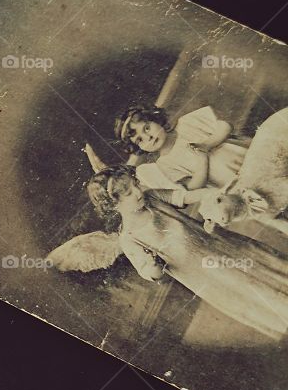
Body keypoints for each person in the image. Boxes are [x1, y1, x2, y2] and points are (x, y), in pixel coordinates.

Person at [87, 166, 288, 341]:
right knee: (254, 288)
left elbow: (184, 197)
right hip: (211, 274)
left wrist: (210, 195)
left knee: (263, 262)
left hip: (219, 244)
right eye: (128, 193)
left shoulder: (152, 198)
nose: (138, 192)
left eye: (135, 185)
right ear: (113, 205)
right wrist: (153, 265)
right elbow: (150, 273)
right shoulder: (129, 238)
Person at [113, 103, 248, 205]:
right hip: (233, 182)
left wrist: (207, 145)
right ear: (139, 148)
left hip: (248, 156)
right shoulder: (164, 165)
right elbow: (194, 186)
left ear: (156, 119)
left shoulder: (187, 123)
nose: (148, 137)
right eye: (140, 140)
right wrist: (203, 159)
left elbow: (225, 126)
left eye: (147, 128)